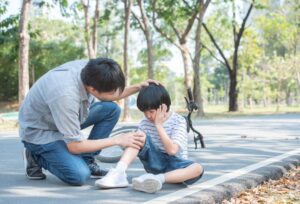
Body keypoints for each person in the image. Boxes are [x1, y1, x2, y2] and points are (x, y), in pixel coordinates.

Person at [19, 57, 151, 186]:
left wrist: (139, 87)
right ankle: (35, 154)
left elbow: (110, 95)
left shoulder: (91, 69)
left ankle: (87, 160)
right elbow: (74, 146)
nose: (116, 95)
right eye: (112, 92)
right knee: (79, 175)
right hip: (41, 131)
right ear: (93, 89)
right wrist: (117, 140)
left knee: (111, 109)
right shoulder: (65, 95)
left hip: (63, 117)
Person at [95, 83, 204, 193]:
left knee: (198, 168)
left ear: (164, 107)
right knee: (137, 138)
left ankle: (157, 179)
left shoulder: (178, 121)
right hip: (155, 163)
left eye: (151, 111)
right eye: (145, 112)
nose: (148, 116)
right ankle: (118, 173)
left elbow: (172, 150)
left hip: (177, 167)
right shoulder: (145, 123)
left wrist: (158, 125)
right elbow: (136, 144)